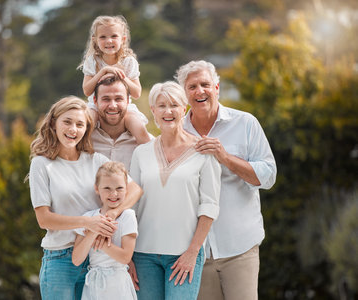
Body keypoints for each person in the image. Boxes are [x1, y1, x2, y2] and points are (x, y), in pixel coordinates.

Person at [175, 60, 277, 300]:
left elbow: (269, 176)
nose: (200, 91)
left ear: (217, 88)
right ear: (184, 93)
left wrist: (225, 158)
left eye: (205, 84)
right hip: (196, 253)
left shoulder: (246, 123)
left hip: (239, 248)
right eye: (192, 87)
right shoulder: (176, 132)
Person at [28, 96, 142, 300]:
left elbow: (134, 190)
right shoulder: (42, 164)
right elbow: (44, 219)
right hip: (60, 259)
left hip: (95, 259)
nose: (73, 129)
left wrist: (112, 215)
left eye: (80, 124)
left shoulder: (96, 160)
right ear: (54, 123)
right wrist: (89, 223)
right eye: (67, 122)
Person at [129, 81, 221, 299]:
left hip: (183, 254)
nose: (168, 111)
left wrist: (192, 252)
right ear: (152, 110)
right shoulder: (140, 153)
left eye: (174, 105)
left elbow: (209, 207)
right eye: (161, 106)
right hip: (143, 255)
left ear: (184, 109)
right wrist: (128, 255)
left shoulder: (203, 152)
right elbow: (130, 206)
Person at [78, 15, 150, 145]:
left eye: (114, 36)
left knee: (138, 127)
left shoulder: (128, 61)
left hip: (123, 106)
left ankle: (149, 156)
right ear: (95, 40)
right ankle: (80, 155)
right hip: (96, 105)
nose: (109, 41)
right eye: (103, 37)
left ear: (122, 39)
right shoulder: (93, 61)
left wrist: (123, 78)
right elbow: (87, 91)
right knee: (85, 124)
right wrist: (102, 72)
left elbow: (137, 93)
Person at [72, 161, 138, 300]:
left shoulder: (127, 216)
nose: (113, 194)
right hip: (94, 284)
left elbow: (125, 257)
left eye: (119, 188)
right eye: (107, 188)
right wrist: (94, 231)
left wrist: (100, 244)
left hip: (118, 285)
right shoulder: (88, 218)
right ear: (97, 189)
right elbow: (77, 259)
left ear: (126, 188)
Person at [91, 75, 153, 171]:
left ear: (128, 101)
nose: (112, 105)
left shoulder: (146, 142)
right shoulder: (83, 140)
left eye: (118, 99)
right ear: (95, 101)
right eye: (106, 99)